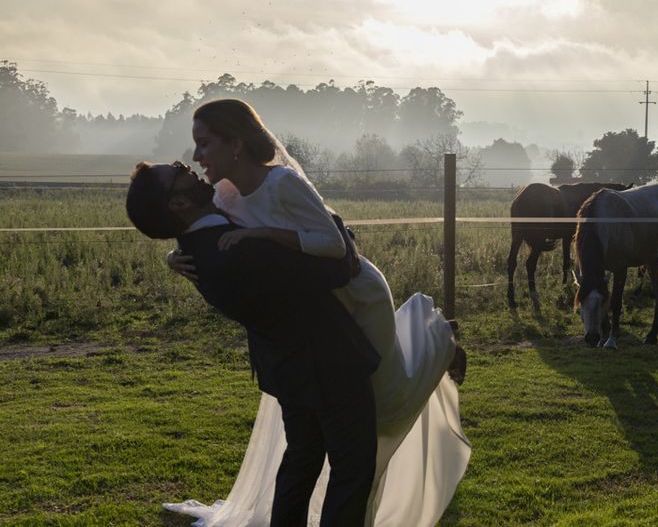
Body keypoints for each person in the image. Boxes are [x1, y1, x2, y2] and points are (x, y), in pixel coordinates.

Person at [166, 98, 470, 526]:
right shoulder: (224, 194)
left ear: (236, 143)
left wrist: (265, 234)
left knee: (389, 394)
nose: (197, 157)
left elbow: (334, 246)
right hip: (315, 320)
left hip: (357, 294)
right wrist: (173, 257)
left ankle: (441, 341)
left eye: (204, 143)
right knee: (330, 436)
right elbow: (202, 229)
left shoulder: (284, 184)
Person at [127, 161, 381, 526]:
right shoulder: (232, 252)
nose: (191, 169)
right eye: (180, 171)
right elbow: (339, 267)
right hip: (325, 360)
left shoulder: (195, 248)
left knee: (303, 458)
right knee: (352, 466)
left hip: (287, 365)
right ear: (178, 203)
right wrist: (338, 230)